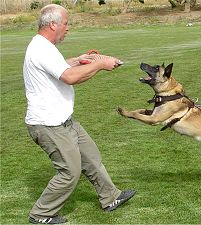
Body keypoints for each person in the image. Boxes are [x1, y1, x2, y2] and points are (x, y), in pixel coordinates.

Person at [23, 4, 135, 224]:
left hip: (64, 120)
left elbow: (59, 68)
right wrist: (101, 64)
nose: (68, 28)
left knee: (91, 158)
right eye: (66, 23)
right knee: (69, 173)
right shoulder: (41, 48)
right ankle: (41, 214)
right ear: (53, 24)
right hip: (49, 124)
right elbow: (70, 77)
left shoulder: (45, 46)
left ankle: (111, 197)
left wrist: (78, 60)